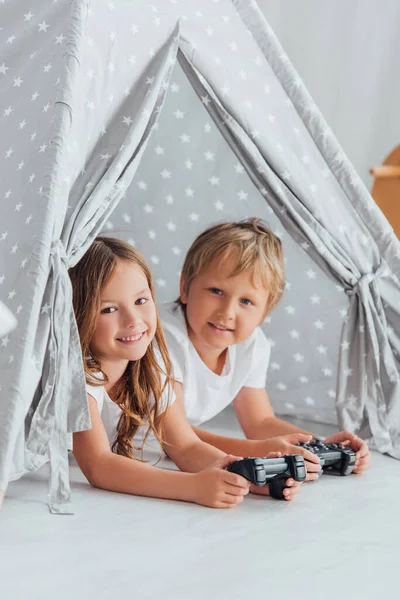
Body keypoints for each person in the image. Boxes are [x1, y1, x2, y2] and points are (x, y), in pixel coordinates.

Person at [69, 236, 302, 507]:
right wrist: (193, 487)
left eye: (141, 301)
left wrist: (245, 476)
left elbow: (186, 446)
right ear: (78, 314)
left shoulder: (151, 364)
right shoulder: (76, 375)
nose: (133, 321)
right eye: (109, 309)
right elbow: (99, 466)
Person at [160, 219, 371, 479]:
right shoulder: (162, 339)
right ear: (185, 288)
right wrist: (259, 451)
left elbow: (259, 422)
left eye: (246, 301)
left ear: (264, 312)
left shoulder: (251, 345)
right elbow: (175, 437)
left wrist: (320, 446)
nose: (227, 312)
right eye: (216, 291)